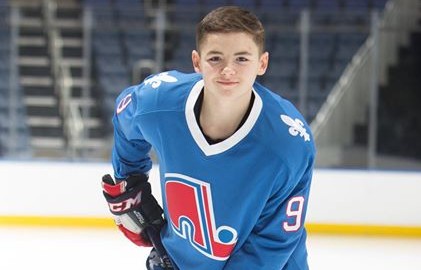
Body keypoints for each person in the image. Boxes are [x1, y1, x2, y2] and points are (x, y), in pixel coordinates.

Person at [101, 6, 315, 270]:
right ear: (196, 61)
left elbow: (271, 243)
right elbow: (126, 117)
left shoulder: (287, 145)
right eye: (215, 58)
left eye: (241, 59)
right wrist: (128, 181)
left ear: (262, 63)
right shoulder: (157, 102)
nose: (227, 70)